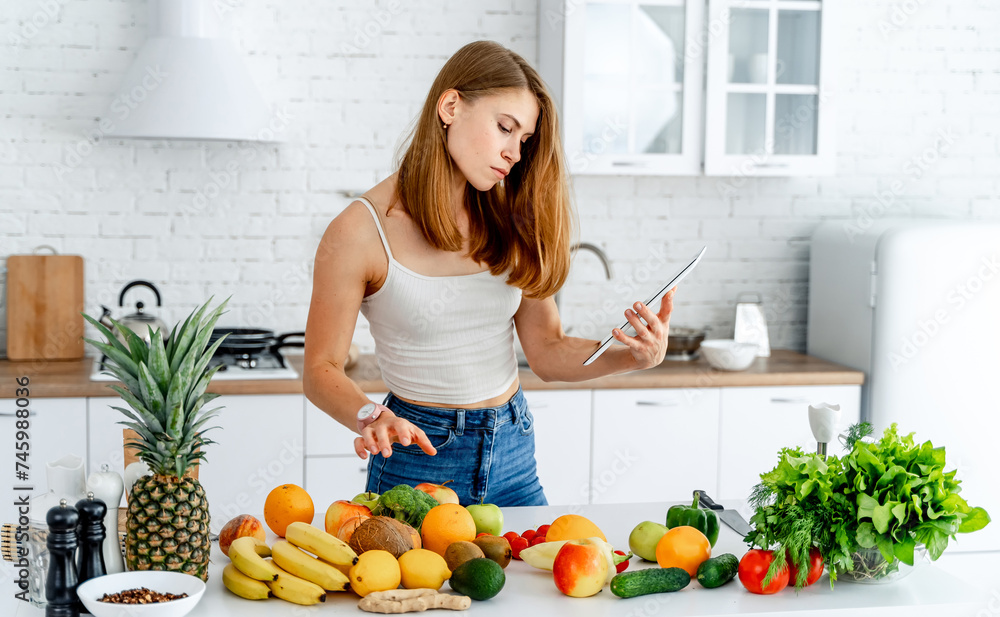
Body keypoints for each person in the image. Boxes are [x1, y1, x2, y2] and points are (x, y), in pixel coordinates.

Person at [303, 40, 675, 507]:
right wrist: (368, 414)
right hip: (418, 460)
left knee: (536, 580)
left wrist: (631, 356)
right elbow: (320, 369)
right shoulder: (360, 231)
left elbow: (547, 350)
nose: (515, 153)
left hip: (513, 453)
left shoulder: (512, 219)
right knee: (416, 585)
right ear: (451, 106)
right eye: (505, 128)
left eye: (524, 140)